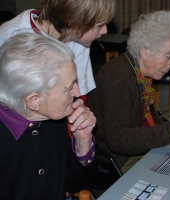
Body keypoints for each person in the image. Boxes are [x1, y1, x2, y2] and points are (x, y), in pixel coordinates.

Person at [88, 10, 170, 173]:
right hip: (116, 162)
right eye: (168, 56)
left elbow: (149, 118)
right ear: (145, 50)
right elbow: (117, 139)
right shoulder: (119, 77)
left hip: (134, 152)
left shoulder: (140, 72)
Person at [0, 32, 97, 199]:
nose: (77, 92)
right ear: (34, 101)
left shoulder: (53, 121)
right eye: (69, 87)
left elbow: (75, 186)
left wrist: (83, 141)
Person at [0, 0, 115, 105]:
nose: (105, 31)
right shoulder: (10, 36)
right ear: (73, 24)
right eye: (100, 25)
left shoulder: (79, 40)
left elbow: (79, 92)